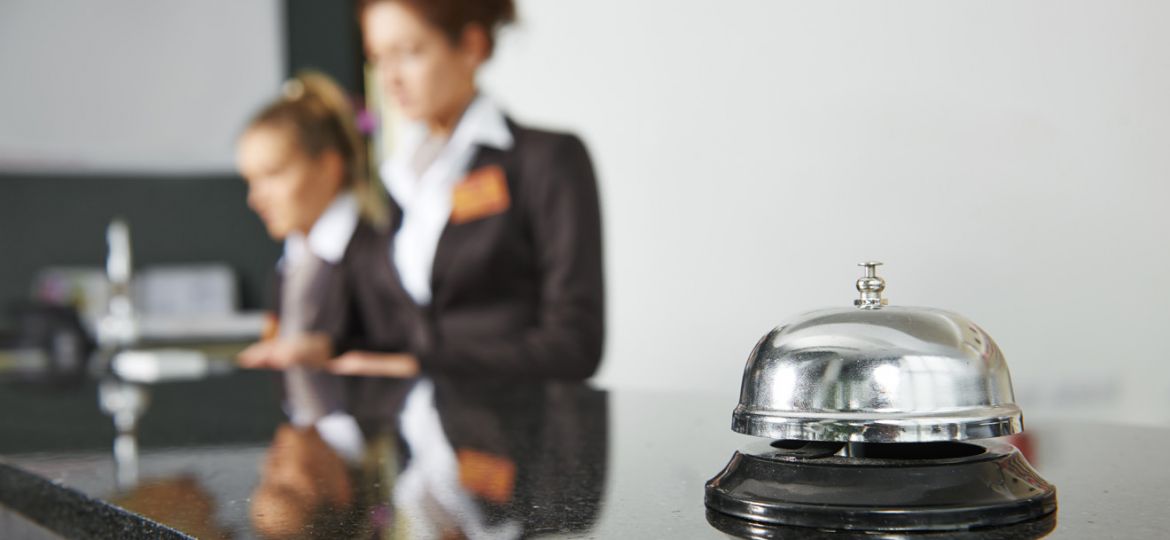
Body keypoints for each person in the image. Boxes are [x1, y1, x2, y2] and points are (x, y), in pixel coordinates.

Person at [326, 0, 605, 380]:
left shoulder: (546, 161)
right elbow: (394, 331)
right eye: (378, 58)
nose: (389, 78)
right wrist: (324, 347)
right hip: (414, 418)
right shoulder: (397, 181)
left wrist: (423, 366)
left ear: (472, 47)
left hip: (518, 417)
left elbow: (574, 345)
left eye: (408, 53)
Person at [234, 71, 395, 413]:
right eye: (251, 181)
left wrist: (330, 353)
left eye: (273, 174)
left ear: (328, 167)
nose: (255, 199)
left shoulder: (381, 256)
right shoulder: (291, 264)